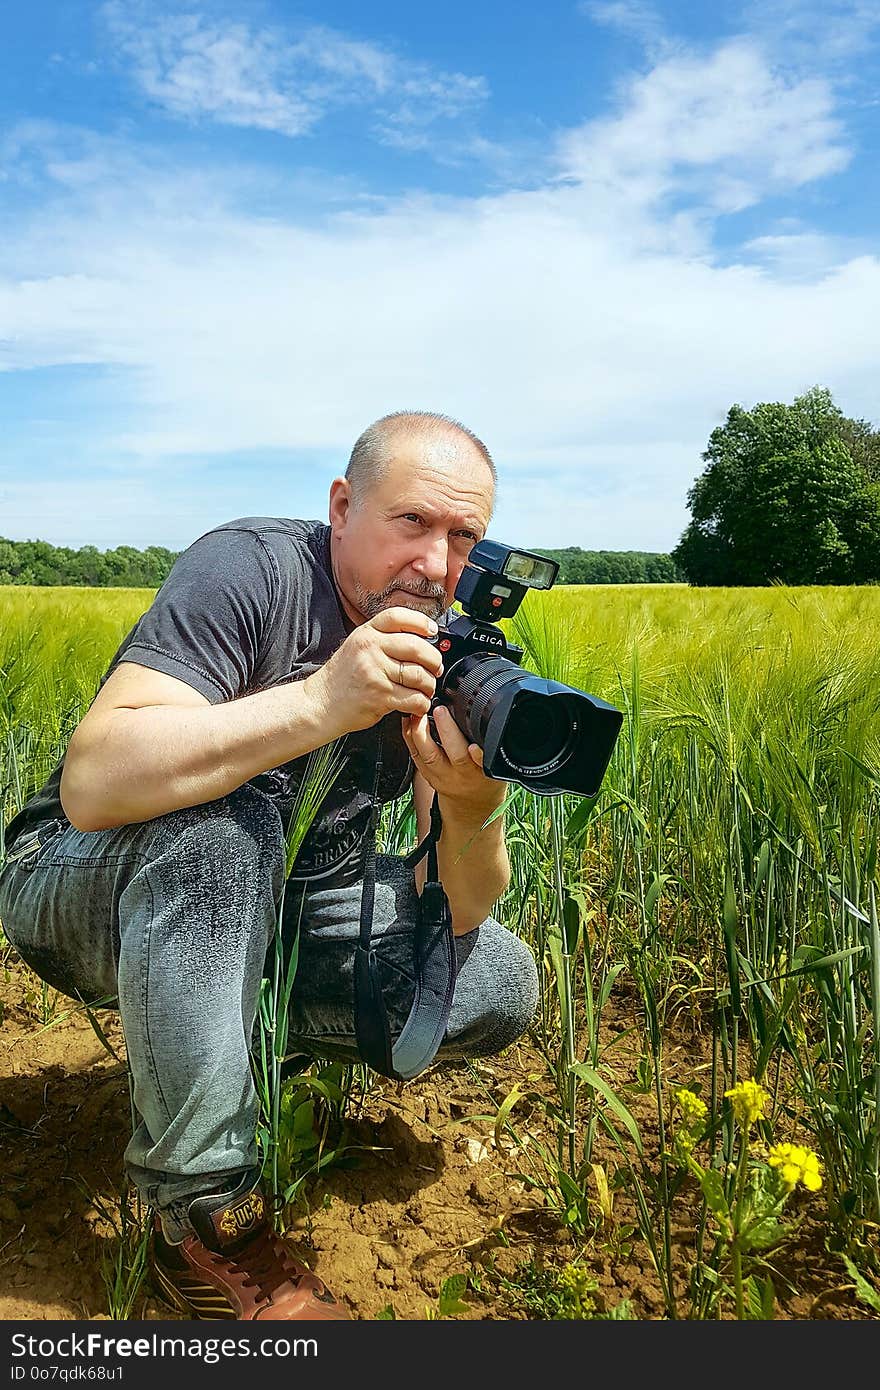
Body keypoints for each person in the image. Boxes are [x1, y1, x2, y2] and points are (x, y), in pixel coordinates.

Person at [0, 410, 539, 1321]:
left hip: (282, 899)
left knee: (492, 975)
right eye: (411, 522)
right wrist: (324, 701)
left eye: (465, 536)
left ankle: (218, 1054)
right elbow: (94, 781)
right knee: (223, 831)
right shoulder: (251, 570)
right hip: (82, 875)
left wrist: (473, 809)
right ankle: (204, 1219)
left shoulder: (442, 639)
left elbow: (460, 907)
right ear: (341, 506)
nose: (437, 565)